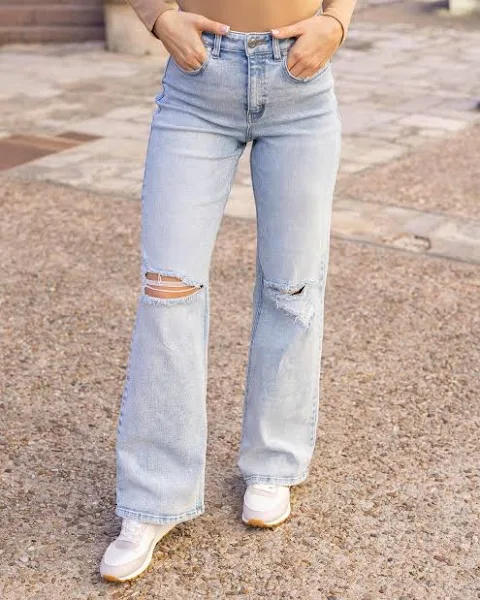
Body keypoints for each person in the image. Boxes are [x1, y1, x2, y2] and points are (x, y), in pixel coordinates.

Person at [100, 0, 356, 582]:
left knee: (292, 288)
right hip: (198, 84)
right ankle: (154, 496)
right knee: (168, 291)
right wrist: (158, 16)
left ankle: (273, 463)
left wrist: (336, 22)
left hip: (300, 82)